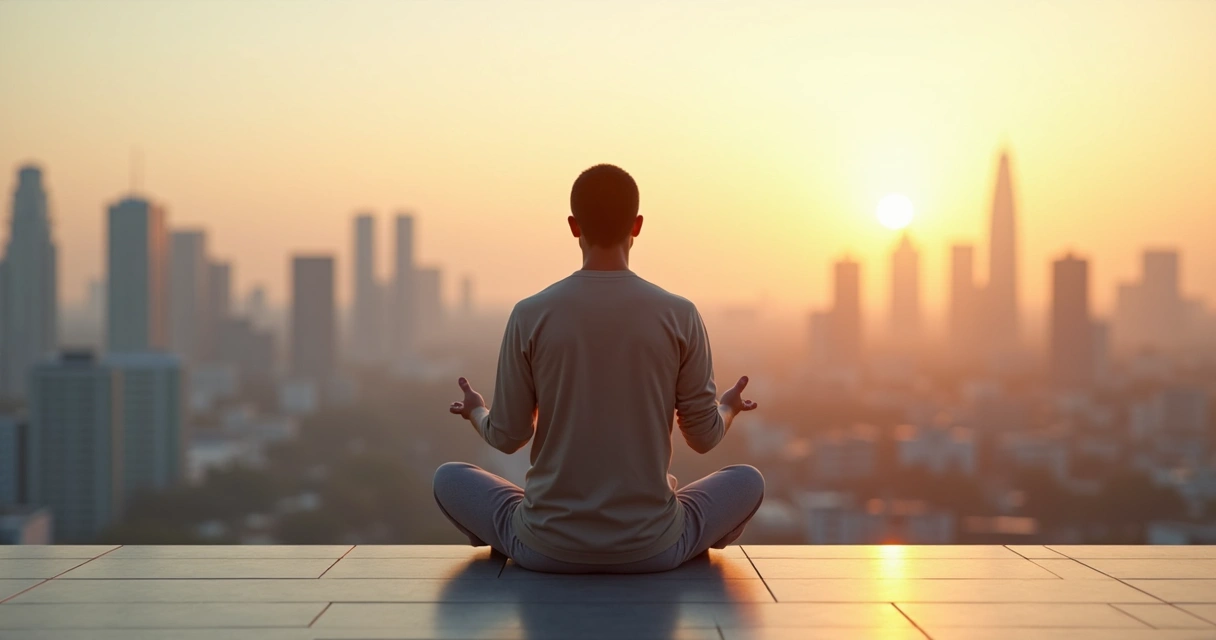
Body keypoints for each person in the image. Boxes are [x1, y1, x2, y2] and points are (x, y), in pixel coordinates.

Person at [433, 164, 764, 573]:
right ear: (637, 225)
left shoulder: (530, 314)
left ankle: (523, 536)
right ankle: (676, 544)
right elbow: (703, 437)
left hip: (544, 547)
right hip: (653, 548)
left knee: (449, 478)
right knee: (748, 481)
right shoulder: (680, 315)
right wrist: (727, 408)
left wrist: (477, 411)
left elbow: (507, 436)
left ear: (574, 226)